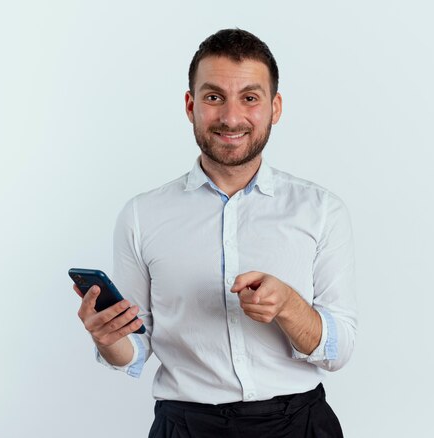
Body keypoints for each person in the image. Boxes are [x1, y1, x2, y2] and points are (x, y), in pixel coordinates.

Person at [74, 28, 357, 437]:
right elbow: (133, 349)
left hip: (299, 425)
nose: (230, 117)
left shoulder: (322, 211)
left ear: (274, 107)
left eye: (250, 97)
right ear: (191, 105)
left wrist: (290, 307)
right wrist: (107, 338)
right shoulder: (141, 215)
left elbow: (338, 351)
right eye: (213, 97)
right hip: (186, 426)